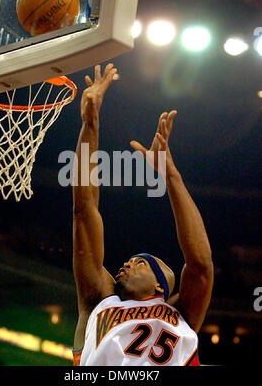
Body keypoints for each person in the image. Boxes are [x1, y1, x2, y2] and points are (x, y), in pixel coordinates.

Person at [72, 63, 214, 366]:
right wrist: (90, 123)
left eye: (141, 263)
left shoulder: (182, 314)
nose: (127, 263)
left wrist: (171, 175)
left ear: (161, 286)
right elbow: (84, 211)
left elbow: (200, 265)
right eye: (131, 260)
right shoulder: (99, 299)